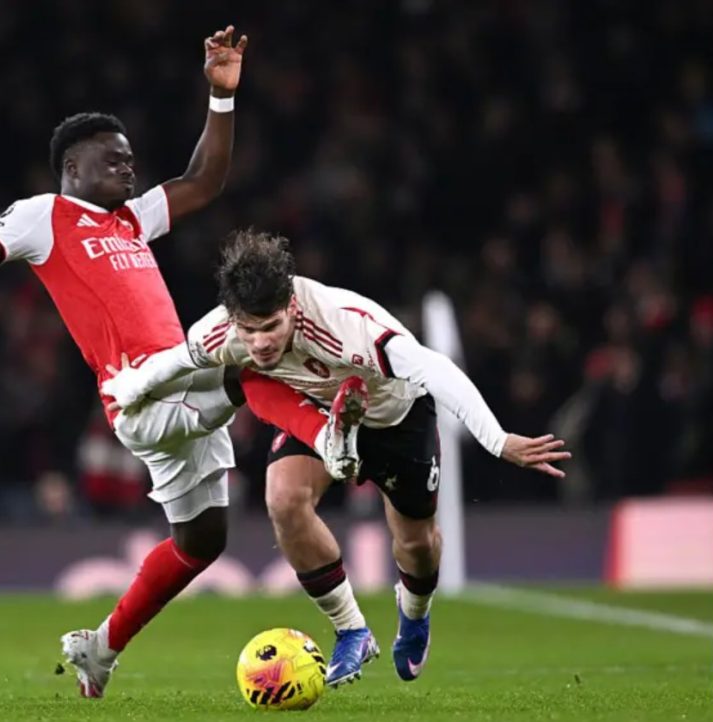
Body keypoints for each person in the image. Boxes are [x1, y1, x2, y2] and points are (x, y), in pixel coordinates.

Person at [0, 27, 361, 698]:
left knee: (202, 542)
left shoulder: (132, 221)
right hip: (141, 398)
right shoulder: (44, 216)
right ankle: (329, 435)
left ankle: (100, 648)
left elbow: (206, 180)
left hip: (185, 384)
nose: (129, 168)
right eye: (114, 160)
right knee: (253, 349)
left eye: (131, 160)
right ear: (73, 167)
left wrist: (220, 97)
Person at [101, 230, 572, 684]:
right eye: (249, 330)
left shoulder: (347, 326)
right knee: (284, 501)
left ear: (291, 307)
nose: (260, 342)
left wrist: (497, 439)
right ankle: (352, 630)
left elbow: (434, 366)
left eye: (271, 327)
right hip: (323, 415)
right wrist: (130, 387)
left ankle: (414, 615)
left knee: (417, 545)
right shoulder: (223, 330)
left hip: (395, 419)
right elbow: (178, 359)